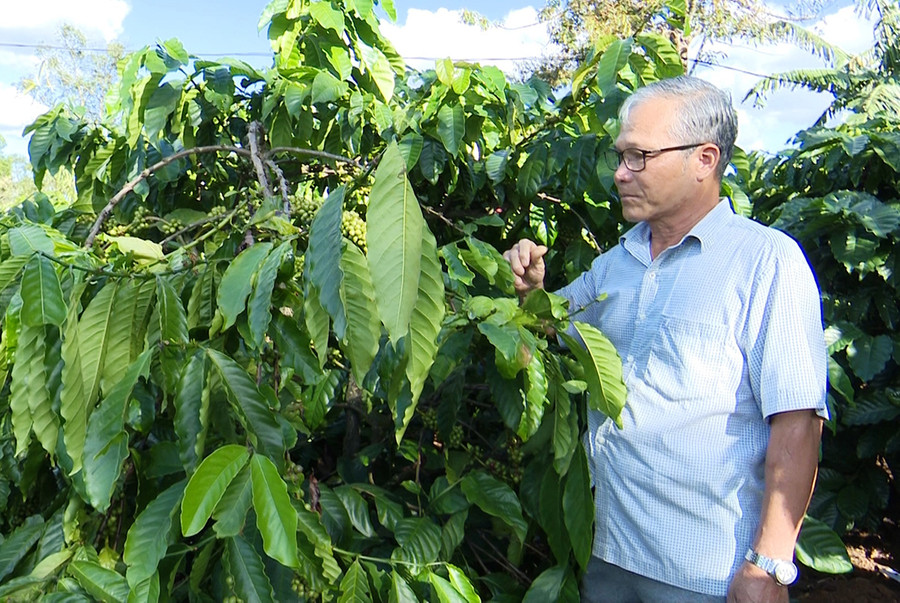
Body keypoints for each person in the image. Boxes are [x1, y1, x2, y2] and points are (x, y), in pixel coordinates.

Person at [503, 76, 827, 603]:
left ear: (704, 159)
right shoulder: (613, 266)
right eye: (620, 156)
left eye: (638, 157)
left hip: (704, 574)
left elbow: (797, 422)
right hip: (608, 554)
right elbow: (547, 337)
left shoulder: (767, 262)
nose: (619, 173)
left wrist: (768, 566)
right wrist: (529, 292)